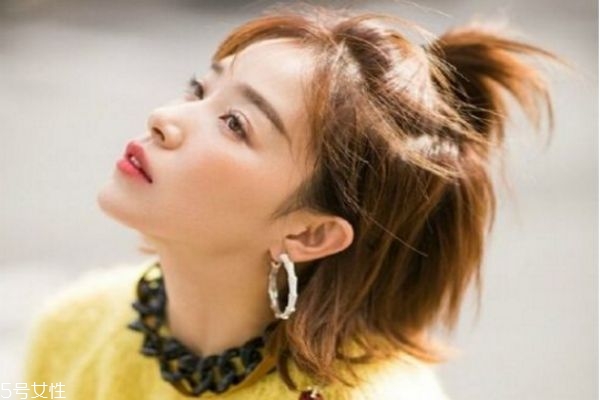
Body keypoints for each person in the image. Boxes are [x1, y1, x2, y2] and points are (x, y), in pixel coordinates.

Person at [21, 3, 564, 399]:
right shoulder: (71, 328)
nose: (165, 118)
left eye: (235, 124)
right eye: (199, 89)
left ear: (310, 233)